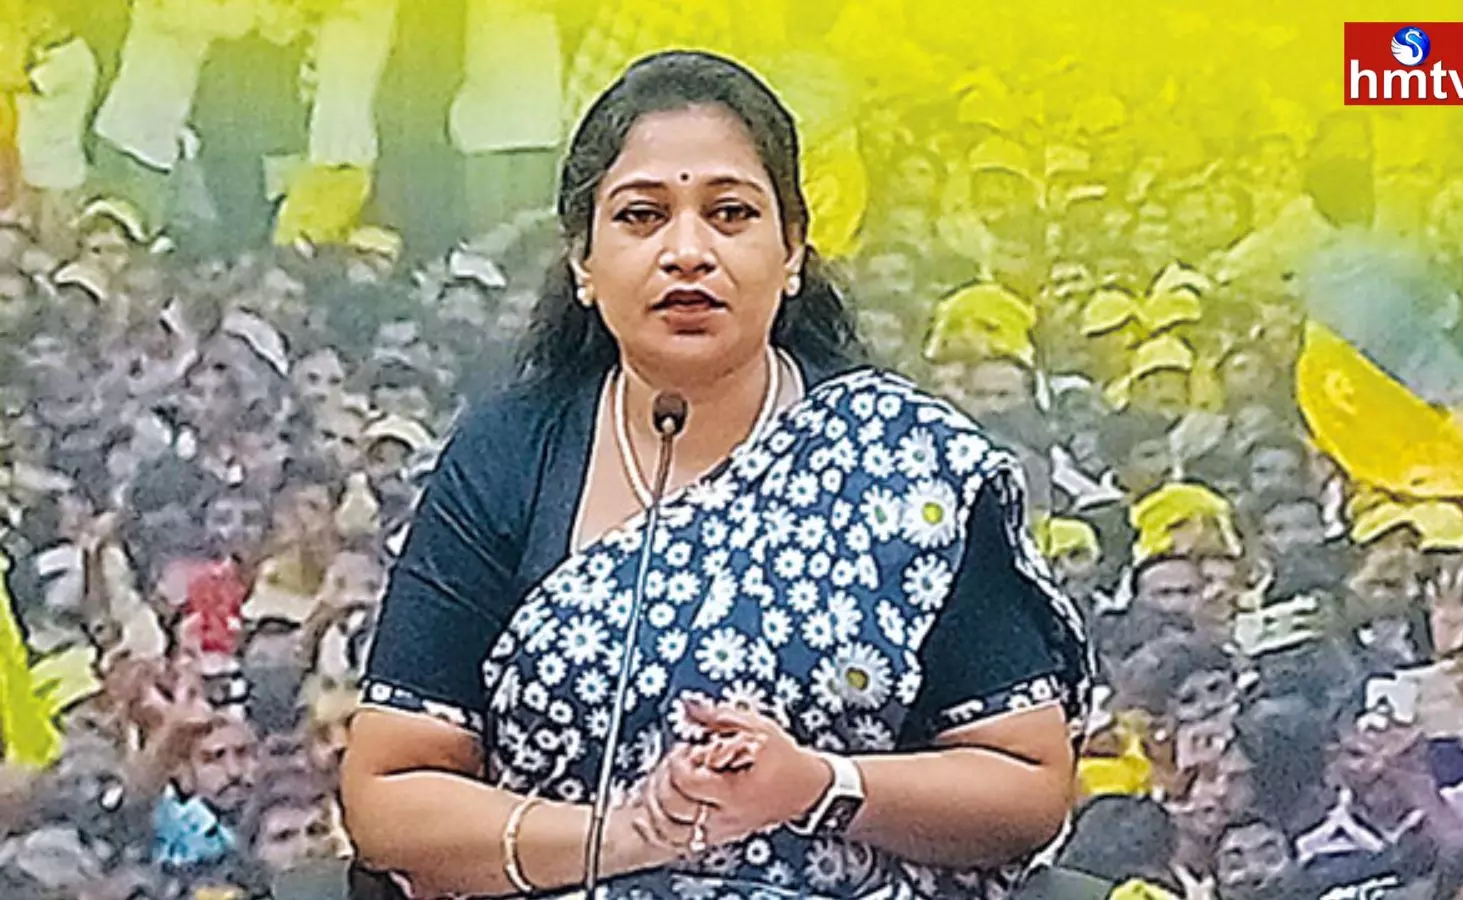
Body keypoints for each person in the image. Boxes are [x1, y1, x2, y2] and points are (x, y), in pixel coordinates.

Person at [342, 51, 1091, 899]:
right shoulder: (509, 454)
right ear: (584, 262)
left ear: (793, 250)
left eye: (730, 213)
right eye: (642, 216)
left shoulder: (906, 465)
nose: (687, 251)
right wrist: (625, 835)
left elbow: (1025, 783)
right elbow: (390, 792)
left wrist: (818, 787)